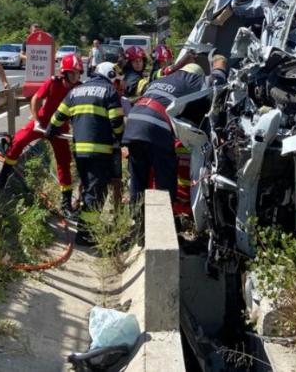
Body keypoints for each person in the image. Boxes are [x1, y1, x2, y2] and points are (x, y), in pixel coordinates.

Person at [122, 53, 227, 214]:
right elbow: (217, 80)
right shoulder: (194, 80)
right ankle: (164, 219)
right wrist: (220, 60)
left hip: (133, 123)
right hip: (155, 126)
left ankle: (137, 219)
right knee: (166, 174)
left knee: (138, 175)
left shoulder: (162, 79)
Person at [45, 61, 124, 245]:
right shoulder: (109, 91)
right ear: (110, 75)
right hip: (100, 151)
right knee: (95, 192)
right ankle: (84, 234)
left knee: (89, 188)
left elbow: (58, 116)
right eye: (116, 80)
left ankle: (86, 227)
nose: (117, 84)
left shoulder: (75, 91)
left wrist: (50, 130)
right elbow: (117, 122)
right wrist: (122, 140)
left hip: (80, 151)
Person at [0, 53, 83, 215]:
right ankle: (3, 177)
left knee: (64, 161)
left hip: (60, 129)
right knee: (18, 142)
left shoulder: (79, 89)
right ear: (64, 72)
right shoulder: (53, 82)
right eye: (72, 73)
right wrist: (36, 121)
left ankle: (66, 202)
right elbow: (36, 99)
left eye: (78, 73)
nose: (76, 77)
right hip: (41, 123)